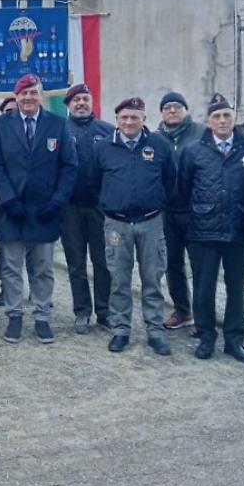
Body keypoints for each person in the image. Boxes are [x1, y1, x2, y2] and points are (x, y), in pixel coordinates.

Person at [0, 73, 77, 344]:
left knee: (43, 268)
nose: (28, 98)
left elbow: (69, 166)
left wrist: (58, 202)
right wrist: (8, 199)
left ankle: (42, 316)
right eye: (23, 93)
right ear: (16, 96)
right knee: (11, 268)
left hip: (45, 210)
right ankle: (14, 316)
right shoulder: (0, 124)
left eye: (33, 93)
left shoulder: (58, 124)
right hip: (11, 209)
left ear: (41, 95)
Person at [178, 94, 244, 362]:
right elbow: (183, 191)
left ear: (234, 117)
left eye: (227, 115)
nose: (223, 120)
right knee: (204, 287)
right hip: (204, 230)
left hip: (238, 229)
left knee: (236, 287)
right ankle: (206, 337)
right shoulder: (193, 151)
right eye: (217, 116)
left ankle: (234, 340)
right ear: (207, 121)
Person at [93, 96, 177, 355]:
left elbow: (171, 180)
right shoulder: (104, 146)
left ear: (144, 119)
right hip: (116, 223)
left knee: (152, 278)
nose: (129, 122)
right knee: (119, 279)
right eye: (124, 118)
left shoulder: (160, 145)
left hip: (150, 221)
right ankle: (120, 329)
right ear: (116, 120)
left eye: (134, 117)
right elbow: (95, 181)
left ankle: (155, 330)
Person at [60, 83, 114, 333]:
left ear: (91, 102)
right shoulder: (59, 130)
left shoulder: (107, 131)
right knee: (76, 263)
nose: (81, 103)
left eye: (85, 99)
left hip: (100, 208)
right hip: (69, 209)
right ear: (68, 105)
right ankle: (82, 311)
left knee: (103, 262)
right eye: (76, 100)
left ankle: (104, 311)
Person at [155, 91, 205, 332]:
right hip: (167, 211)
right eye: (167, 107)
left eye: (177, 106)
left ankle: (203, 315)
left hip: (195, 211)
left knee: (200, 265)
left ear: (185, 110)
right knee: (172, 263)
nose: (172, 110)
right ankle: (182, 310)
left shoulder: (202, 133)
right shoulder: (155, 138)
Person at [0, 94, 18, 308]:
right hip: (5, 203)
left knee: (34, 251)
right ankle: (5, 289)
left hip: (33, 204)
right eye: (8, 111)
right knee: (6, 250)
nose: (12, 114)